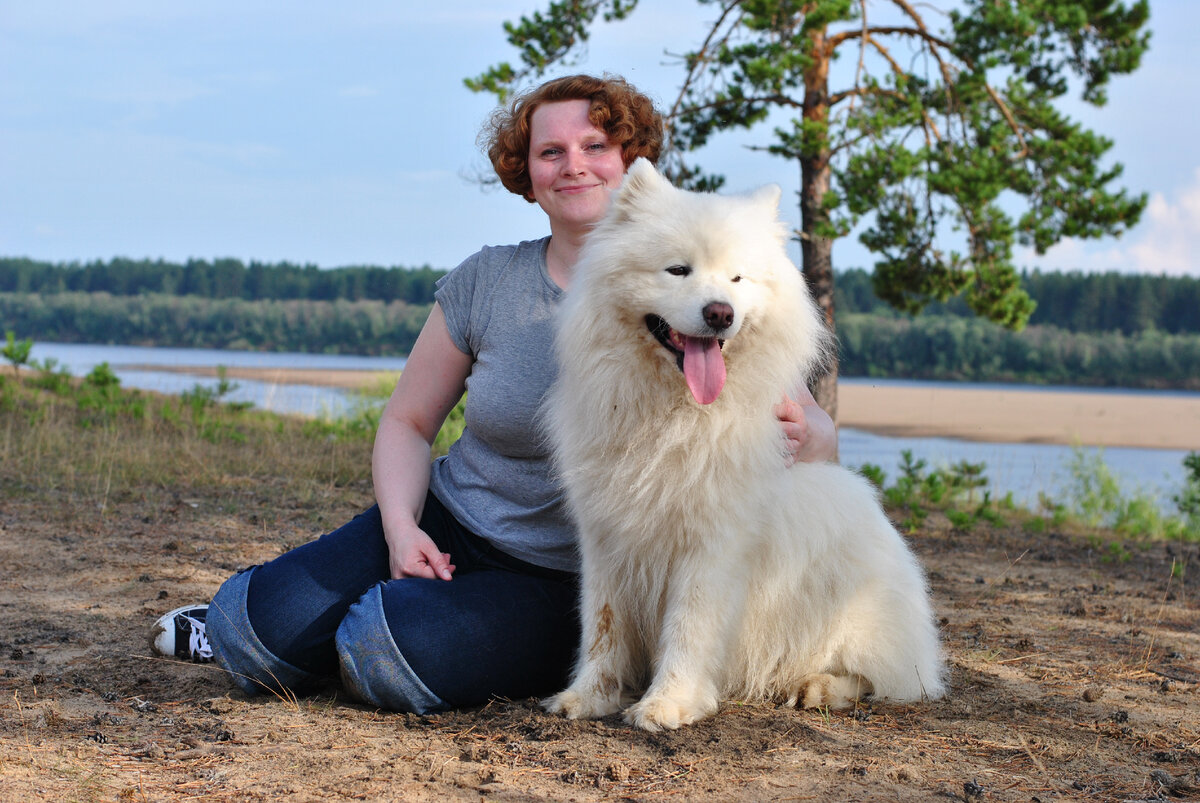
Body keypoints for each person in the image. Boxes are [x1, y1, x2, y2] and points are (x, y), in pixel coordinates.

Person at [151, 74, 837, 713]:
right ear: (526, 172)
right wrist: (401, 528)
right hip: (451, 518)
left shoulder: (715, 281)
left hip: (559, 575)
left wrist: (809, 437)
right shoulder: (488, 280)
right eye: (550, 150)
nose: (573, 164)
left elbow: (809, 445)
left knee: (382, 647)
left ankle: (350, 633)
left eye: (595, 145)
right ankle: (293, 624)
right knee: (247, 632)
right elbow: (409, 421)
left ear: (630, 161)